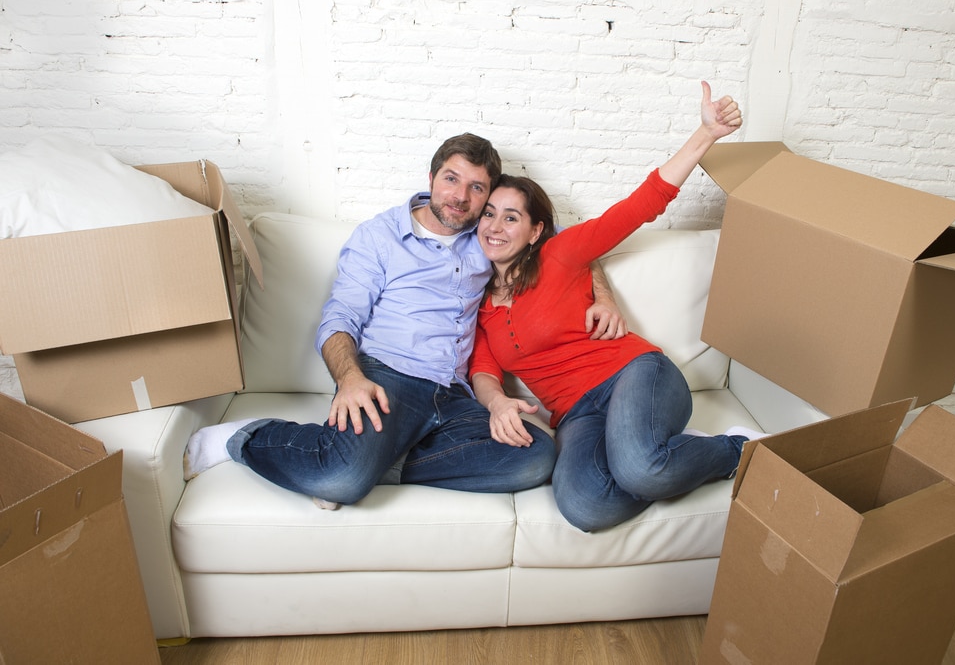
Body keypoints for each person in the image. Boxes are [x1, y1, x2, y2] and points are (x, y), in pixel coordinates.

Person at [183, 133, 626, 508]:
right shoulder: (379, 237)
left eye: (476, 188)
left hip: (455, 396)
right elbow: (339, 319)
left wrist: (603, 297)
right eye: (451, 179)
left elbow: (564, 244)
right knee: (340, 480)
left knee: (535, 457)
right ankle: (245, 437)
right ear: (431, 178)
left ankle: (375, 461)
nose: (460, 196)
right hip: (388, 379)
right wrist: (351, 380)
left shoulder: (489, 239)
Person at [469, 82, 761, 532]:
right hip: (577, 415)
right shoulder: (477, 306)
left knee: (639, 470)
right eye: (489, 213)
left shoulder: (559, 254)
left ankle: (735, 451)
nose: (495, 226)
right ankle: (667, 454)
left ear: (534, 232)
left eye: (512, 217)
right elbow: (484, 372)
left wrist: (705, 134)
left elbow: (638, 207)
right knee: (586, 508)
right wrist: (496, 405)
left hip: (633, 375)